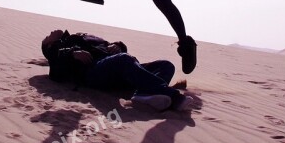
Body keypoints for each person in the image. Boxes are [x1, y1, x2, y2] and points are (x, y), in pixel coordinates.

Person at [41, 29, 192, 112]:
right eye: (47, 36)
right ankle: (173, 96)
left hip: (118, 67)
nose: (51, 31)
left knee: (166, 65)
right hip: (94, 71)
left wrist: (118, 45)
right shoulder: (57, 50)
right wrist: (72, 53)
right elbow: (55, 71)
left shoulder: (80, 36)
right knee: (124, 59)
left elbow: (110, 46)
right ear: (48, 45)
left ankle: (143, 94)